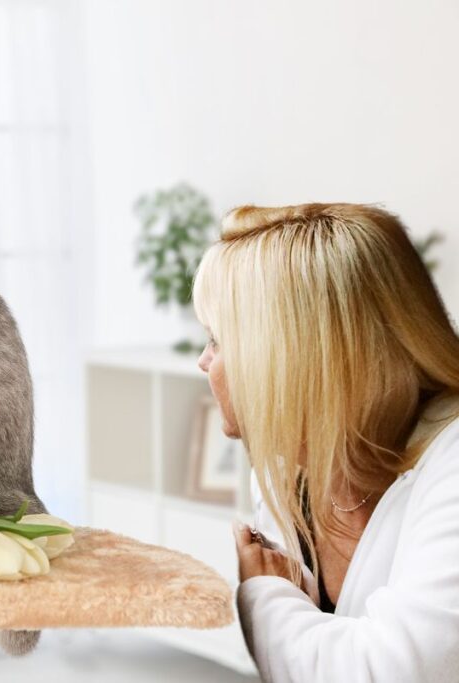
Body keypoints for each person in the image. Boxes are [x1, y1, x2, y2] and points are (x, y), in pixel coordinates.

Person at [192, 203, 459, 682]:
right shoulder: (283, 470)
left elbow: (387, 674)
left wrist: (266, 596)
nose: (203, 361)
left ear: (284, 357)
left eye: (216, 339)